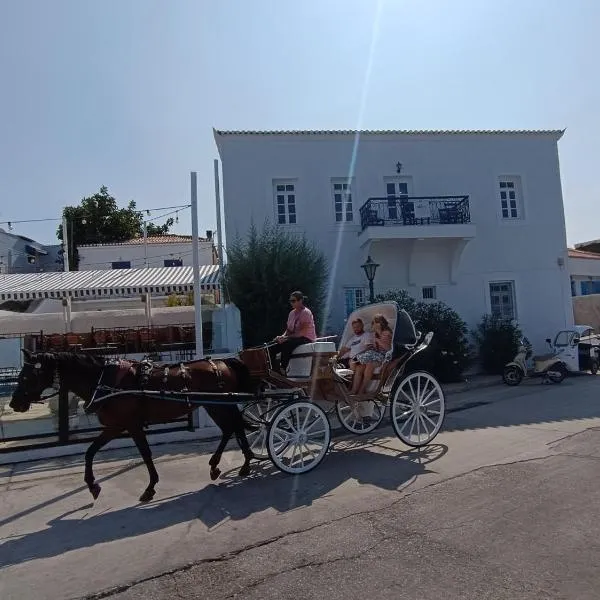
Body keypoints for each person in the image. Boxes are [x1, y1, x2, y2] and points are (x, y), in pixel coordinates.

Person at [268, 291, 317, 374]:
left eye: (293, 301)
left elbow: (303, 332)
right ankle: (273, 369)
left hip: (306, 338)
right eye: (290, 301)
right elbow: (288, 330)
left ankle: (283, 368)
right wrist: (281, 337)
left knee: (287, 344)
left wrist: (287, 338)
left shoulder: (306, 313)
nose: (291, 303)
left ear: (300, 301)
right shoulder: (291, 313)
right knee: (272, 345)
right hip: (294, 337)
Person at [351, 313, 393, 396]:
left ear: (379, 323)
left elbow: (388, 348)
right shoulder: (375, 334)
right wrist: (373, 345)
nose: (372, 325)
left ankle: (361, 391)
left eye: (373, 323)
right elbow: (375, 348)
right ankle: (353, 390)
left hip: (384, 356)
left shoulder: (386, 333)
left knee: (369, 364)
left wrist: (377, 341)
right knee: (360, 367)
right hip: (375, 355)